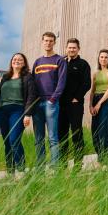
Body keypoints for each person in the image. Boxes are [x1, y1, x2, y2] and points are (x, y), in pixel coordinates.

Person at [27, 32, 67, 167]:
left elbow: (61, 83)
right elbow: (32, 84)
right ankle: (40, 168)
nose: (48, 43)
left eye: (51, 41)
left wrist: (52, 99)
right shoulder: (37, 62)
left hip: (51, 103)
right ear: (42, 42)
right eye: (46, 40)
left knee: (52, 138)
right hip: (37, 104)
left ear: (54, 42)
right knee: (38, 139)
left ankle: (55, 168)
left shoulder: (59, 60)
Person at [0, 53, 31, 174]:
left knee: (14, 139)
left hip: (18, 110)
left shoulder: (27, 77)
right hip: (2, 111)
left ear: (24, 63)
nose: (17, 61)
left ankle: (21, 168)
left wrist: (28, 114)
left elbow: (31, 95)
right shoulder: (5, 77)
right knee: (7, 142)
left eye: (20, 59)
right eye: (14, 59)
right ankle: (10, 171)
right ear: (11, 62)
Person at [58, 38, 91, 168]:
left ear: (78, 49)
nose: (71, 50)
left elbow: (87, 83)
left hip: (75, 104)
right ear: (66, 48)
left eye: (74, 48)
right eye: (69, 47)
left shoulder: (83, 64)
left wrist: (77, 97)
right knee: (62, 133)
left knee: (76, 132)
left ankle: (78, 163)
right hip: (61, 104)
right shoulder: (61, 62)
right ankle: (62, 163)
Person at [90, 49, 108, 164]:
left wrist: (99, 104)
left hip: (106, 101)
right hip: (95, 100)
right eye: (101, 57)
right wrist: (91, 106)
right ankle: (100, 157)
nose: (103, 59)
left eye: (106, 57)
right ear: (98, 58)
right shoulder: (95, 73)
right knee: (95, 130)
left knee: (105, 130)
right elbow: (92, 91)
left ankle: (107, 159)